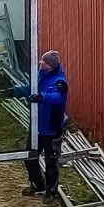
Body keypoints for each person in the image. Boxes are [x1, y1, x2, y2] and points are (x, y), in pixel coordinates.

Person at [22, 49, 69, 199]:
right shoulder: (40, 76)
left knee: (51, 164)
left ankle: (51, 192)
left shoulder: (60, 81)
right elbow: (31, 89)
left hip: (51, 129)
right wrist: (13, 91)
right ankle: (37, 184)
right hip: (36, 127)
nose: (40, 63)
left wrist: (41, 97)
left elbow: (58, 98)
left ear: (49, 65)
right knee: (30, 158)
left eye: (43, 61)